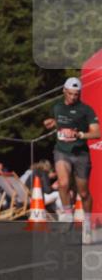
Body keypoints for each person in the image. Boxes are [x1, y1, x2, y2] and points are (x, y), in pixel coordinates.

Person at [43, 77, 100, 240]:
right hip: (62, 151)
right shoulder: (57, 107)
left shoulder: (86, 110)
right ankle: (68, 215)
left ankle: (87, 223)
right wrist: (50, 122)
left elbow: (97, 132)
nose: (73, 97)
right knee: (63, 183)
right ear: (64, 91)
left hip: (81, 154)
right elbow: (54, 121)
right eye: (70, 94)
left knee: (83, 192)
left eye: (76, 94)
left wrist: (81, 134)